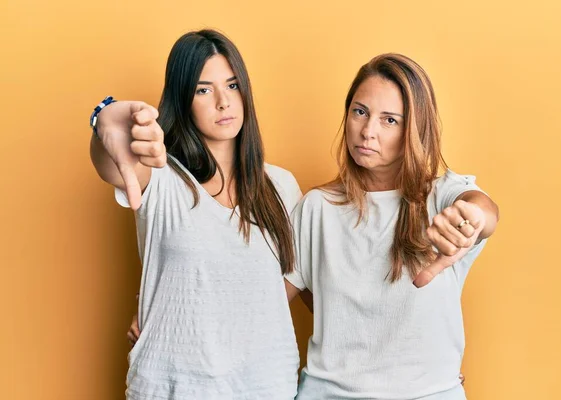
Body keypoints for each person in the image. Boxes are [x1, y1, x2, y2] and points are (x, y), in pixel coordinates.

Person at [90, 29, 303, 399]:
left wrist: (214, 309)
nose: (223, 101)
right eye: (204, 90)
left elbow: (295, 278)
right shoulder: (160, 176)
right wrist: (104, 121)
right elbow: (112, 163)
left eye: (233, 85)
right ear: (182, 100)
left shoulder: (281, 187)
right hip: (173, 386)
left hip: (266, 386)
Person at [284, 53, 499, 399]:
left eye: (389, 120)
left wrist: (472, 219)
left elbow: (483, 209)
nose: (368, 131)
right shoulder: (317, 207)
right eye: (360, 112)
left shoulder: (442, 196)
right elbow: (267, 302)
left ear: (415, 129)